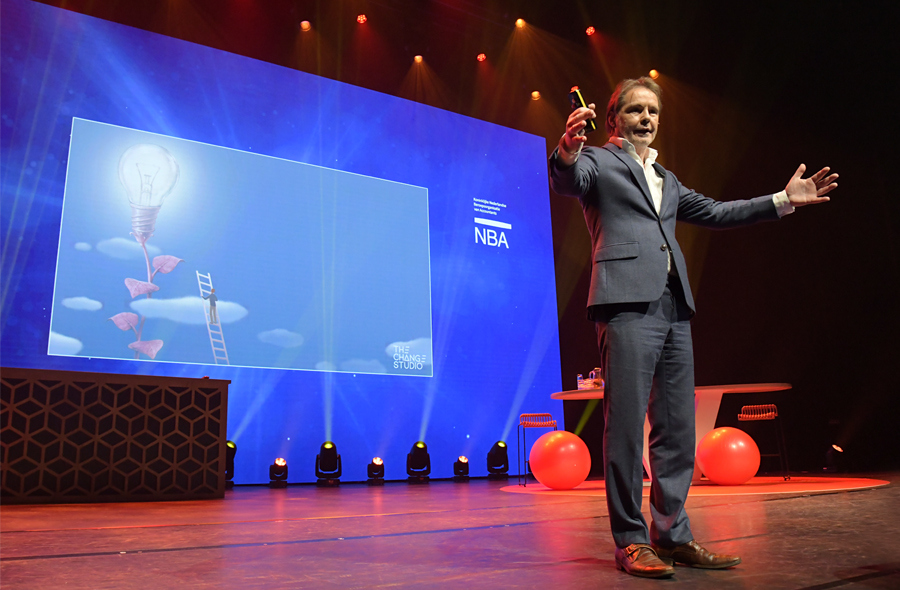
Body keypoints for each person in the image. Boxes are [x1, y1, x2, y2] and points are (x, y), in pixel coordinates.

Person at [549, 77, 836, 579]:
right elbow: (570, 179)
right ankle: (632, 540)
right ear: (614, 118)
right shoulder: (598, 159)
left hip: (672, 305)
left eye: (653, 111)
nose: (646, 118)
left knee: (677, 428)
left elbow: (718, 212)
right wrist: (568, 149)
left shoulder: (668, 178)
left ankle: (673, 535)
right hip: (624, 303)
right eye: (636, 110)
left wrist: (783, 200)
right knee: (625, 428)